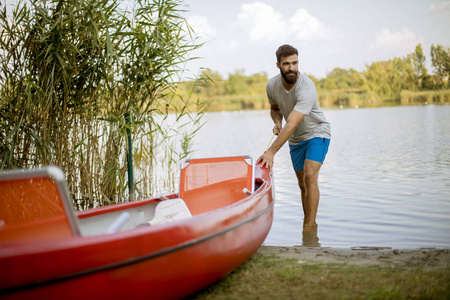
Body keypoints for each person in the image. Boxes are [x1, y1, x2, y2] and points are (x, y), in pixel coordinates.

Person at [257, 44, 331, 232]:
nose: (291, 68)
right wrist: (277, 122)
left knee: (309, 175)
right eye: (286, 64)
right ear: (278, 65)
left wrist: (271, 152)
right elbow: (275, 110)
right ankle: (308, 222)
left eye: (295, 63)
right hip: (295, 139)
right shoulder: (272, 86)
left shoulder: (306, 87)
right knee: (302, 184)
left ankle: (309, 227)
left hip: (317, 132)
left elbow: (292, 124)